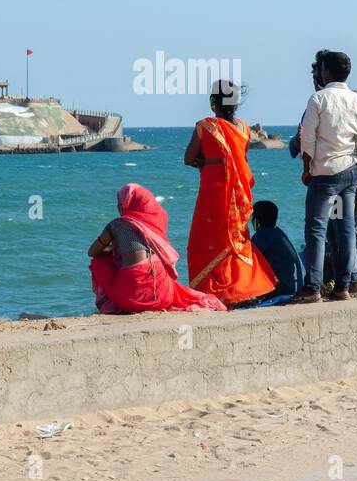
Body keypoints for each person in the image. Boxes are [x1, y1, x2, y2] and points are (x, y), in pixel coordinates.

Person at [184, 80, 278, 306]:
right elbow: (237, 159)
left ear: (213, 103)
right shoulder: (244, 129)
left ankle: (214, 290)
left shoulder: (206, 126)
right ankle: (240, 288)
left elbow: (188, 158)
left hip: (213, 192)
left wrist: (205, 163)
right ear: (235, 105)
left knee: (207, 240)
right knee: (235, 239)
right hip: (238, 193)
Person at [293, 51, 357, 303]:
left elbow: (307, 139)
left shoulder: (318, 99)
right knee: (346, 229)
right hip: (350, 173)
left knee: (317, 229)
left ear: (326, 72)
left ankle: (313, 287)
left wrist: (307, 168)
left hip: (325, 174)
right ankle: (344, 286)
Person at [87, 183, 226, 314]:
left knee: (99, 262)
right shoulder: (154, 224)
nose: (118, 206)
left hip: (131, 299)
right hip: (162, 297)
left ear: (126, 204)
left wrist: (111, 251)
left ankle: (111, 303)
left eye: (120, 202)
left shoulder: (116, 225)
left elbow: (92, 252)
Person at [250, 200, 302, 297]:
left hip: (281, 288)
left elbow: (248, 256)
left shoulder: (264, 234)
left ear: (258, 218)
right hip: (290, 285)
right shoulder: (277, 232)